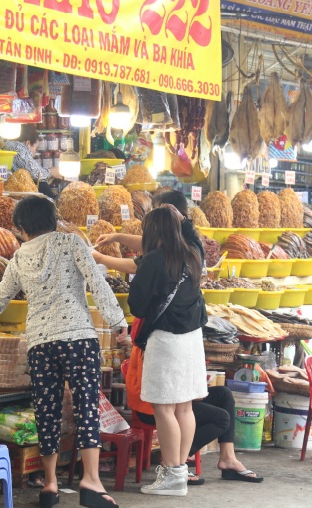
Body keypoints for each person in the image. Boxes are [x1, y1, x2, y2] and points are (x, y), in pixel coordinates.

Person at [0, 196, 127, 508]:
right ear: (52, 219)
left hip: (41, 344)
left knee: (47, 412)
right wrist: (118, 322)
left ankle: (50, 485)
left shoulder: (18, 258)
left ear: (23, 228)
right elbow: (98, 283)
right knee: (86, 408)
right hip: (79, 339)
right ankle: (91, 482)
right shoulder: (71, 243)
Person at [127, 208, 207, 496]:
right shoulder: (193, 253)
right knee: (184, 406)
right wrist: (183, 220)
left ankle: (172, 473)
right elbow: (192, 233)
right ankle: (180, 472)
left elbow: (137, 306)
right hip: (192, 340)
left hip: (167, 342)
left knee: (164, 408)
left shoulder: (154, 261)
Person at [134, 386, 263, 484]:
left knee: (224, 394)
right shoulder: (153, 352)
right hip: (154, 404)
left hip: (180, 396)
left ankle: (228, 458)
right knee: (221, 419)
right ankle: (176, 462)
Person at [92, 190, 204, 274]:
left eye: (155, 209)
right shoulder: (194, 245)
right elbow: (148, 243)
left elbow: (134, 267)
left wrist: (100, 258)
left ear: (166, 215)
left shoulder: (164, 254)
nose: (151, 214)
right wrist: (116, 237)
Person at [4, 124, 62, 194]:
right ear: (27, 143)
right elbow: (34, 172)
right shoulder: (18, 148)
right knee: (42, 185)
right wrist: (52, 172)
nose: (34, 154)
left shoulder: (7, 145)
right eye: (35, 148)